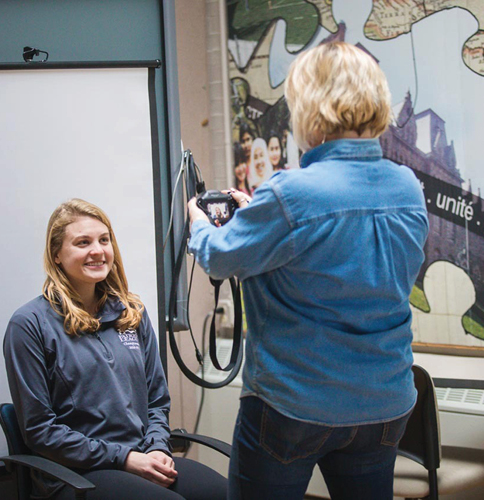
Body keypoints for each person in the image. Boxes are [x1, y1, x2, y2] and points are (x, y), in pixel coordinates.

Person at [187, 41, 428, 500]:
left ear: (309, 106)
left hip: (293, 406)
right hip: (383, 404)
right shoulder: (407, 187)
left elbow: (220, 256)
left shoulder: (291, 194)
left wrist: (200, 225)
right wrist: (260, 216)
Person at [3, 199, 227, 500]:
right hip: (76, 473)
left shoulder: (131, 312)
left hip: (143, 455)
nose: (97, 250)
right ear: (56, 254)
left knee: (228, 493)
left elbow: (157, 401)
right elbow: (40, 431)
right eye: (82, 242)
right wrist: (124, 458)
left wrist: (158, 446)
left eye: (104, 240)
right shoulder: (29, 324)